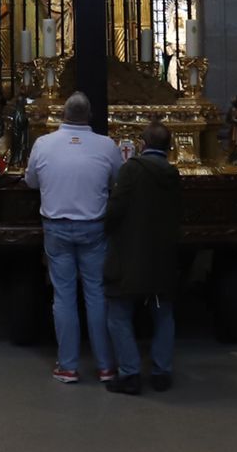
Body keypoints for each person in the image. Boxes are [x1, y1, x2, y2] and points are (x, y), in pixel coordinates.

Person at [23, 91, 124, 383]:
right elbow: (117, 180)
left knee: (64, 297)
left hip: (56, 227)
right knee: (96, 295)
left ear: (62, 115)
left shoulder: (43, 144)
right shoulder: (106, 145)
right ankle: (105, 366)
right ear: (89, 115)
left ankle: (68, 365)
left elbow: (31, 181)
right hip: (94, 227)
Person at [101, 121, 184, 395]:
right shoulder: (173, 173)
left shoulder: (132, 170)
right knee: (163, 313)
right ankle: (161, 372)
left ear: (142, 143)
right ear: (168, 147)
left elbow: (114, 209)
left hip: (130, 255)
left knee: (119, 313)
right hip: (162, 257)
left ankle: (130, 373)